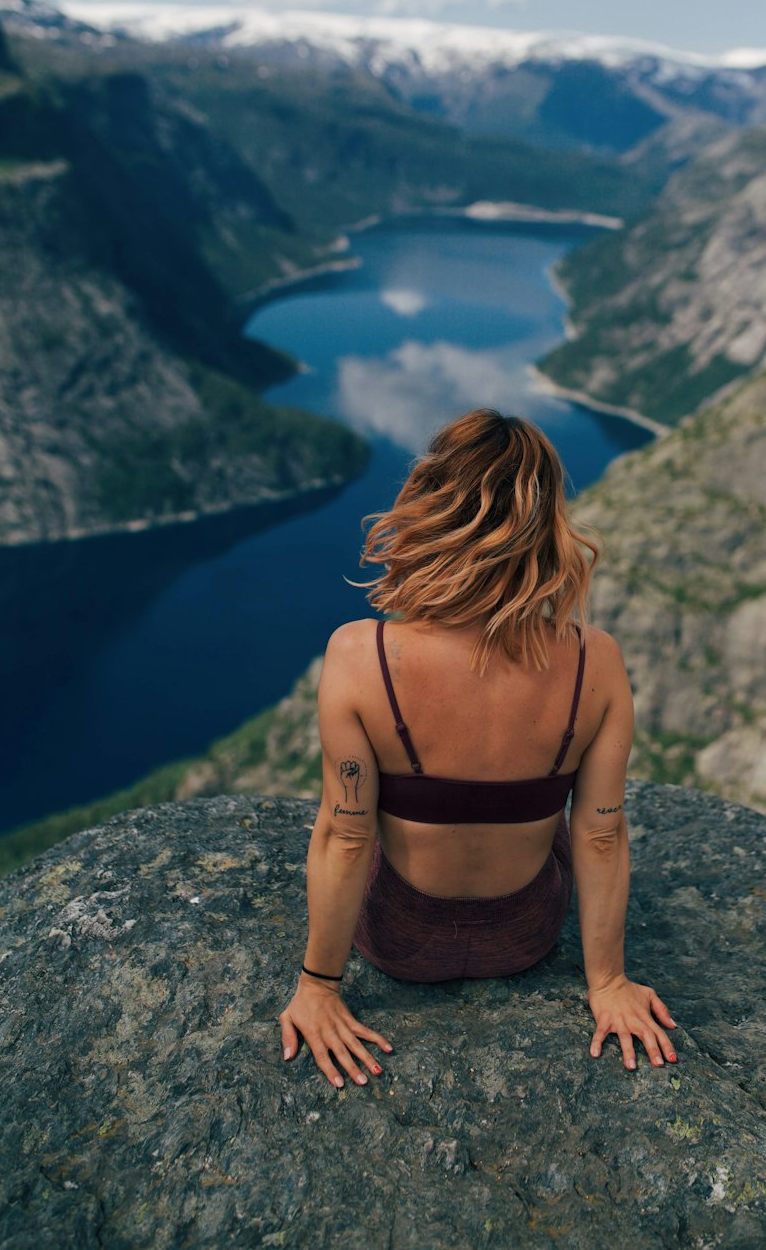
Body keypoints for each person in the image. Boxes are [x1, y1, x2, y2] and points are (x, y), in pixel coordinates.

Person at [279, 408, 677, 1089]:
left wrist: (318, 986)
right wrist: (607, 981)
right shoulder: (596, 663)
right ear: (546, 526)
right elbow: (601, 840)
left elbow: (346, 839)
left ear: (429, 505)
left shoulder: (359, 656)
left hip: (398, 940)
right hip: (525, 936)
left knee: (356, 828)